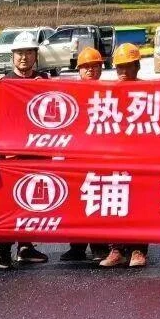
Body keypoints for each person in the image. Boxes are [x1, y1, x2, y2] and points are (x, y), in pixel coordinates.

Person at [0, 31, 49, 269]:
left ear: (35, 56)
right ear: (13, 56)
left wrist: (46, 88)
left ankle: (26, 246)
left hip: (37, 151)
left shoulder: (45, 81)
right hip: (11, 153)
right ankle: (4, 250)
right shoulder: (3, 83)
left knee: (32, 197)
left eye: (29, 53)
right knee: (9, 200)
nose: (24, 57)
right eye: (20, 53)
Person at [99, 43, 149, 268]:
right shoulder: (107, 92)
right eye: (120, 67)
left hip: (140, 157)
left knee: (139, 204)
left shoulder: (148, 91)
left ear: (137, 66)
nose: (124, 71)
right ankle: (116, 249)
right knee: (115, 201)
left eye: (128, 66)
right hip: (114, 156)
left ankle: (138, 250)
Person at [60, 47, 111, 263]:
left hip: (100, 155)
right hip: (75, 155)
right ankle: (77, 246)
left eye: (94, 66)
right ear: (79, 70)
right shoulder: (70, 92)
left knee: (96, 199)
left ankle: (100, 245)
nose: (90, 70)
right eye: (86, 67)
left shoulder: (110, 92)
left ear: (101, 68)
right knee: (76, 202)